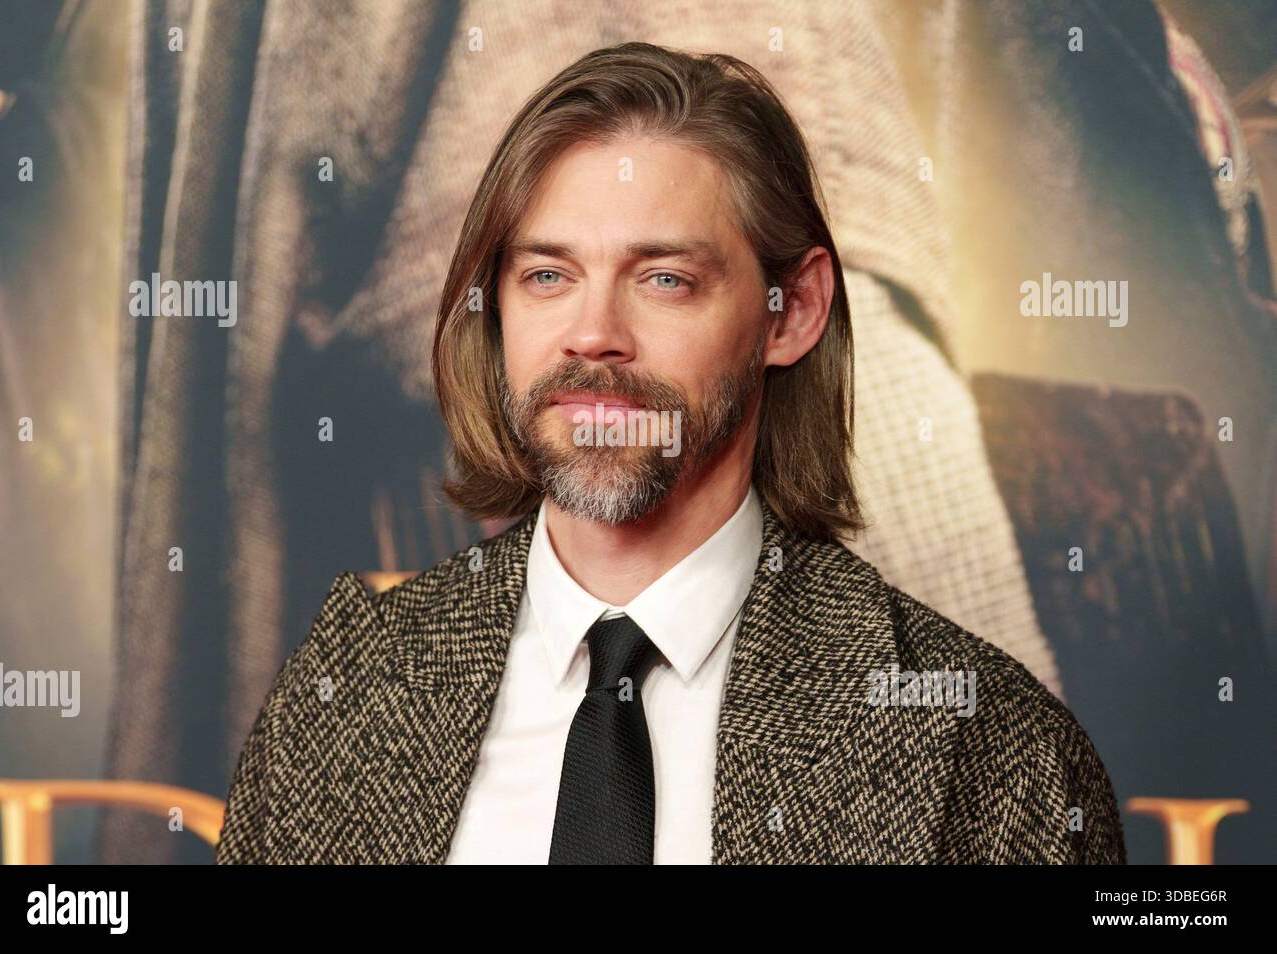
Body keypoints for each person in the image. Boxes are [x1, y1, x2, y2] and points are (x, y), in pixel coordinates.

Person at [215, 41, 1125, 865]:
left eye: (664, 280)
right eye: (546, 276)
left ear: (793, 311)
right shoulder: (346, 694)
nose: (593, 336)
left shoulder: (995, 752)